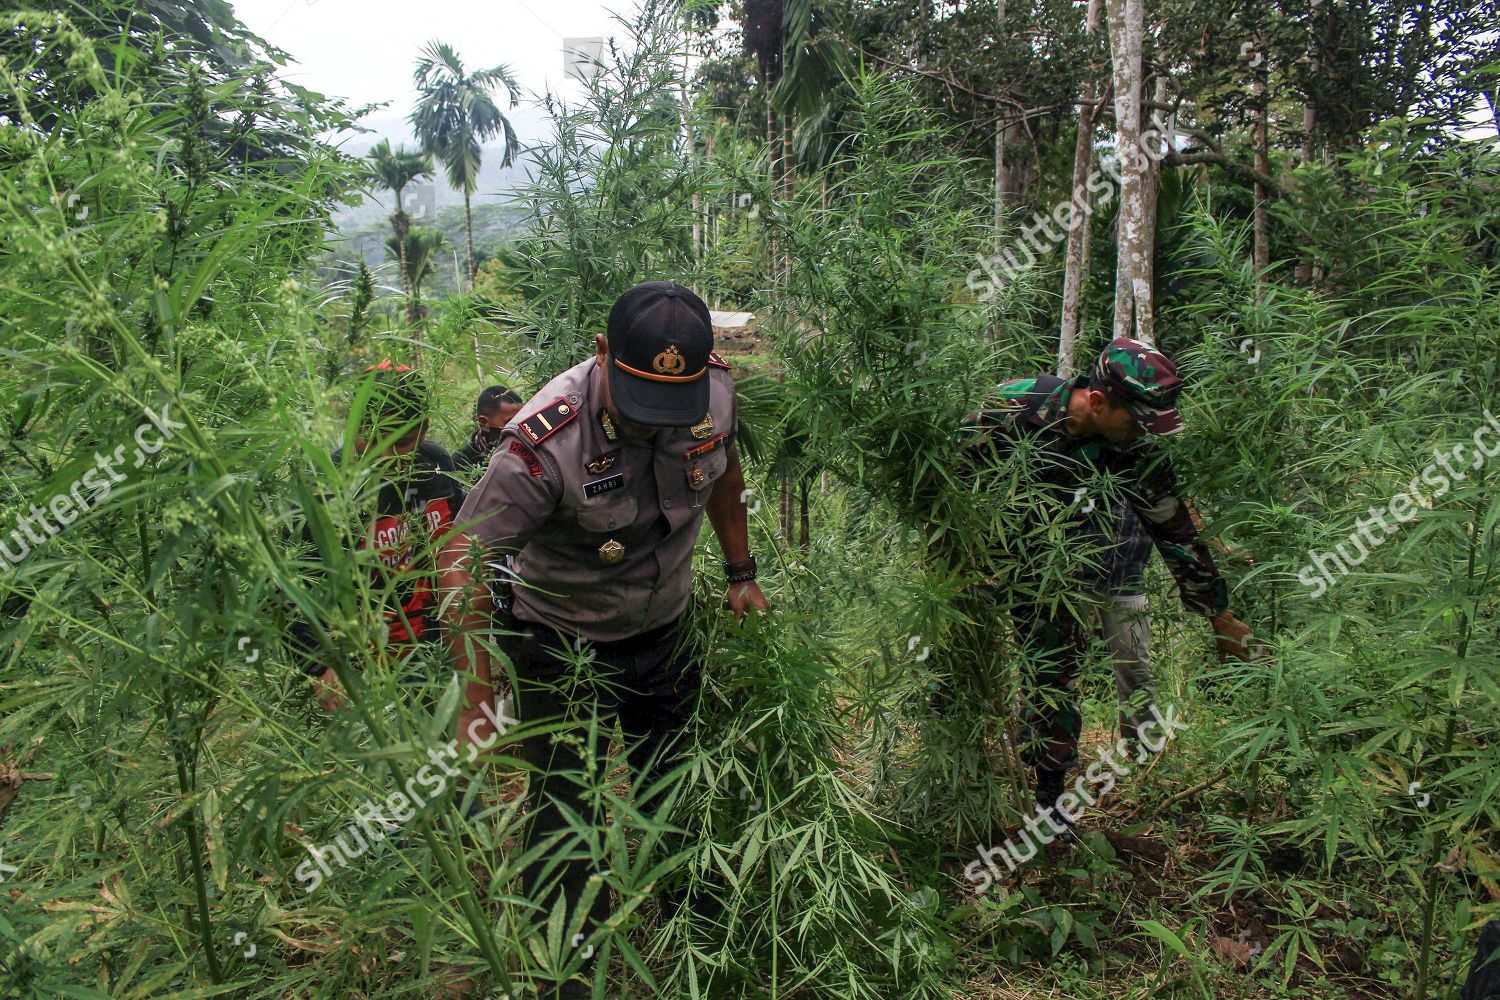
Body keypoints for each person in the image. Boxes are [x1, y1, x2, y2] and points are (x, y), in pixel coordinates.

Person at [438, 280, 768, 998]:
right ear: (601, 354)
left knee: (677, 791)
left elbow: (724, 474)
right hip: (561, 644)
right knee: (567, 816)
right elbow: (462, 556)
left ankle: (689, 949)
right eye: (641, 402)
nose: (659, 424)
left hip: (664, 630)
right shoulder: (541, 443)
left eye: (671, 410)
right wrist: (476, 695)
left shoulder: (712, 396)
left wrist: (740, 570)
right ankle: (567, 973)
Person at [957, 337, 1256, 823]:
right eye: (1137, 421)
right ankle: (956, 779)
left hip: (1058, 576)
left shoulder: (1134, 452)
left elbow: (1174, 530)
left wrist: (1217, 614)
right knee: (957, 668)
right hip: (975, 565)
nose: (1144, 434)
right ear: (1097, 402)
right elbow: (940, 476)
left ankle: (1049, 802)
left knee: (1052, 675)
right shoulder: (1013, 405)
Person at [288, 362, 466, 713]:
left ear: (424, 428)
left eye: (401, 444)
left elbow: (463, 549)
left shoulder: (437, 467)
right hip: (366, 667)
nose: (387, 457)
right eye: (370, 441)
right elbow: (295, 589)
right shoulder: (326, 489)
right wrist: (320, 666)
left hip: (439, 653)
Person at [451, 385, 524, 475]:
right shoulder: (459, 465)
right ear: (484, 421)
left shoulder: (530, 450)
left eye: (522, 420)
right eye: (510, 422)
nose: (519, 427)